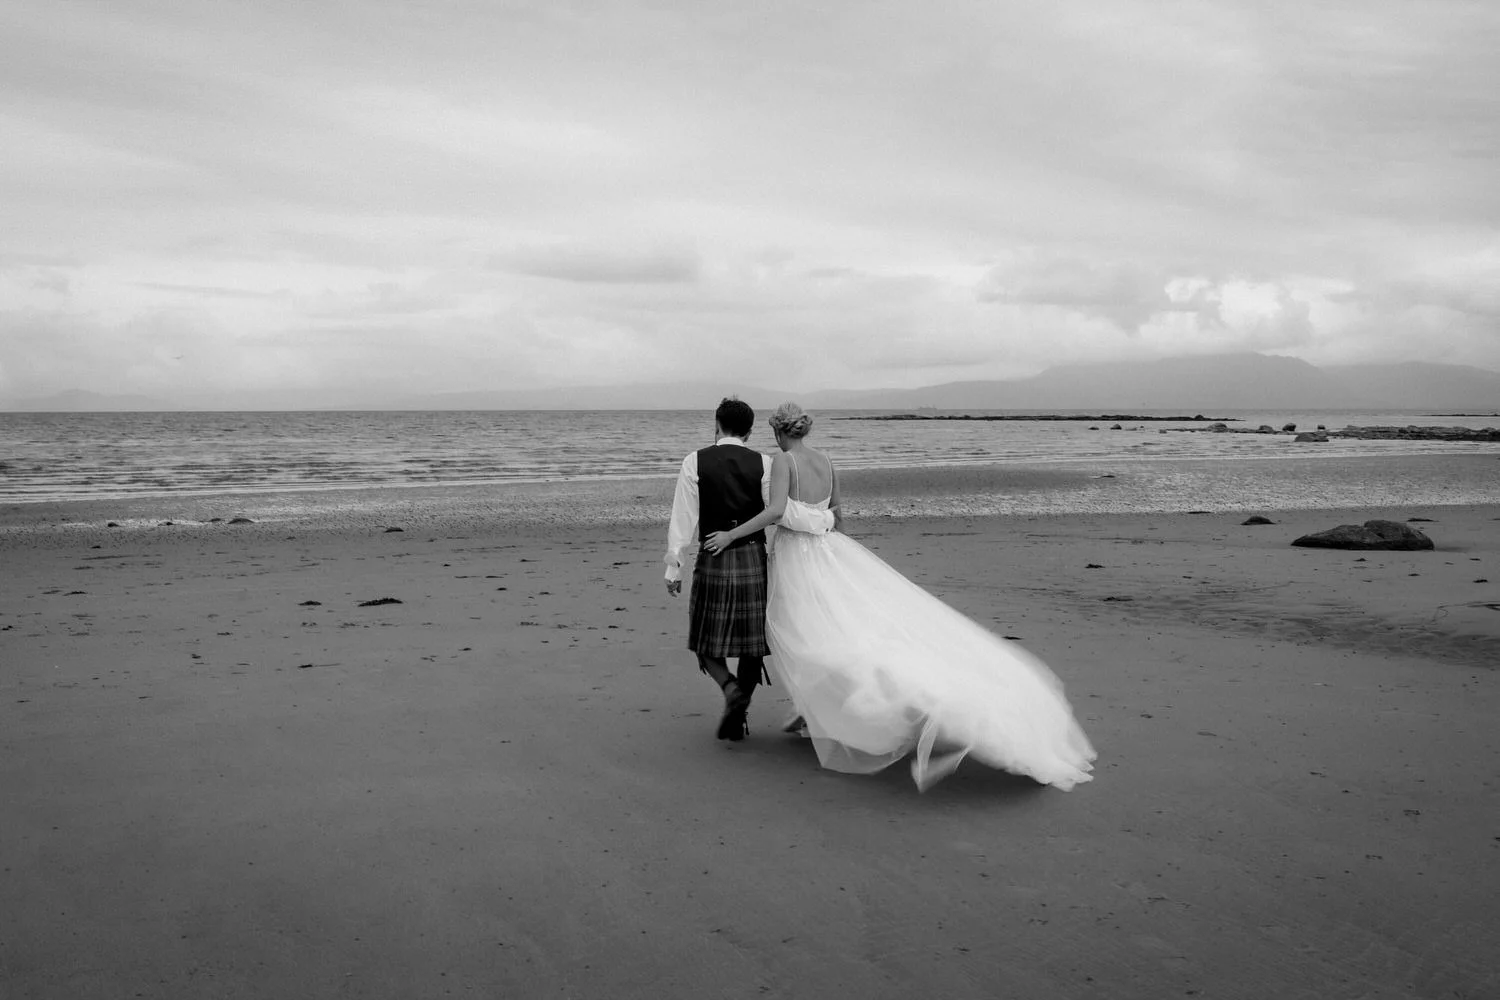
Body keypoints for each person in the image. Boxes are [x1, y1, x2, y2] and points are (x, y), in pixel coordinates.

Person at [704, 402, 1095, 790]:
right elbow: (838, 515)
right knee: (836, 629)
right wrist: (835, 551)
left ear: (780, 432)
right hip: (830, 550)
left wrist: (731, 535)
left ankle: (824, 712)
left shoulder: (783, 461)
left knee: (802, 633)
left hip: (796, 554)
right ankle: (811, 712)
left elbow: (774, 512)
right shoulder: (826, 460)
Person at [664, 397, 775, 742]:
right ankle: (739, 708)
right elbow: (775, 512)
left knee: (705, 641)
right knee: (752, 645)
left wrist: (674, 566)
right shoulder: (766, 463)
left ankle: (730, 691)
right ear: (750, 429)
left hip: (713, 553)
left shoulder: (694, 461)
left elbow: (683, 517)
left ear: (717, 423)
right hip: (753, 557)